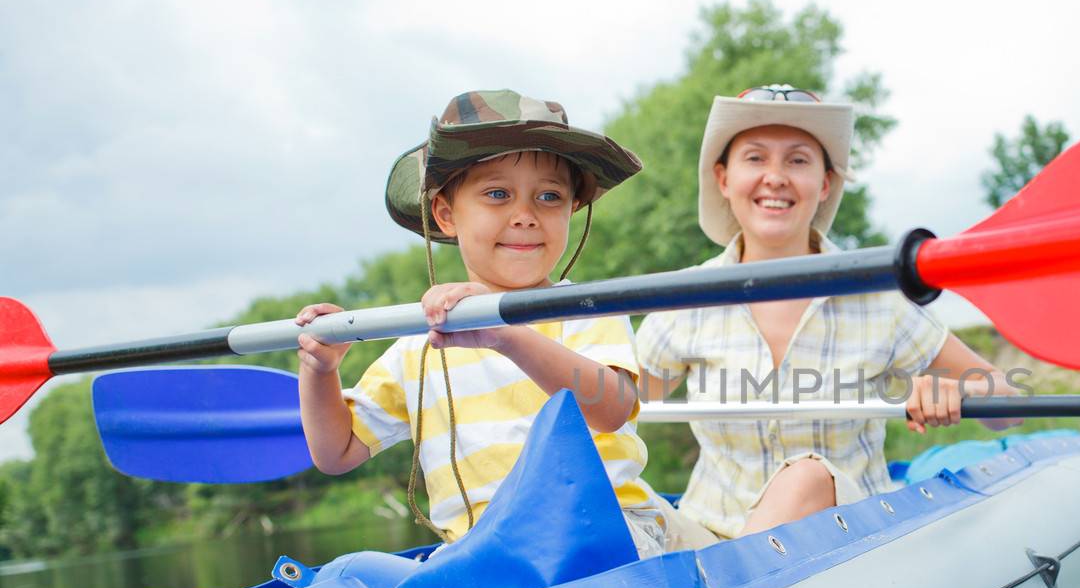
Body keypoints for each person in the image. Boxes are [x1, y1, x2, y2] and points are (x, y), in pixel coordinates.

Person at [637, 85, 1018, 547]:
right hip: (709, 539)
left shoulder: (881, 300)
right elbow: (610, 410)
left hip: (843, 542)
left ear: (825, 184)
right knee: (617, 503)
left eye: (797, 160)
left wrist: (957, 390)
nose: (775, 177)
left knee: (806, 477)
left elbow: (1008, 407)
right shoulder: (684, 299)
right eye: (755, 158)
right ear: (723, 178)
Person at [295, 91, 669, 556]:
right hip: (479, 553)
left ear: (571, 210)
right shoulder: (420, 345)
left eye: (549, 197)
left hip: (603, 530)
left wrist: (508, 336)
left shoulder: (585, 309)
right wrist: (320, 371)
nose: (526, 217)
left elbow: (612, 409)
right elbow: (336, 453)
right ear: (447, 215)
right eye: (497, 194)